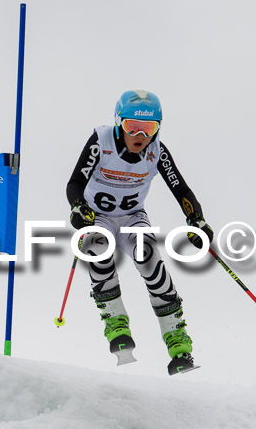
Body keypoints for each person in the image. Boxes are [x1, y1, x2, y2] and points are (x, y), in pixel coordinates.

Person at [66, 90, 214, 375]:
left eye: (148, 128)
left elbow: (180, 188)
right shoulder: (102, 140)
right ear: (118, 123)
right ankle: (116, 324)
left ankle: (178, 342)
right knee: (97, 248)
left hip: (134, 217)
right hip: (100, 217)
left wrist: (196, 219)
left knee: (148, 258)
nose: (140, 135)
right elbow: (75, 182)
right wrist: (78, 207)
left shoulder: (156, 150)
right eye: (131, 126)